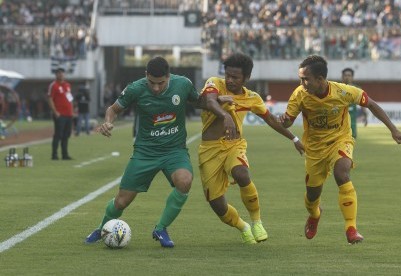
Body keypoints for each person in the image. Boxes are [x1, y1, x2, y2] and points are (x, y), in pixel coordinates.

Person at [84, 57, 226, 248]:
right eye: (152, 82)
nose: (156, 88)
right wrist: (109, 121)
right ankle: (102, 228)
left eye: (161, 83)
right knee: (121, 201)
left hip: (174, 151)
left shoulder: (182, 84)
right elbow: (113, 109)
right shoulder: (136, 88)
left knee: (184, 181)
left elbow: (198, 101)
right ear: (146, 76)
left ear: (169, 76)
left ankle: (161, 228)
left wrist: (216, 101)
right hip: (145, 152)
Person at [278, 55, 401, 244]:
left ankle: (351, 228)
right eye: (300, 79)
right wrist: (285, 121)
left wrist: (393, 129)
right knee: (312, 195)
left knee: (342, 173)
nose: (302, 83)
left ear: (320, 79)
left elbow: (370, 103)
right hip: (314, 149)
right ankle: (314, 214)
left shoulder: (343, 92)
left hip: (340, 139)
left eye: (306, 79)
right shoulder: (299, 94)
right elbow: (288, 121)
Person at [199, 53, 305, 244]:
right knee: (217, 204)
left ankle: (256, 222)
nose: (229, 80)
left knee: (241, 174)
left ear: (246, 78)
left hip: (234, 145)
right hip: (209, 150)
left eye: (235, 77)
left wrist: (294, 138)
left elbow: (271, 119)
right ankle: (243, 227)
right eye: (227, 75)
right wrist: (226, 115)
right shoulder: (214, 83)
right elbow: (209, 101)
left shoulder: (252, 98)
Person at [47, 67, 74, 160]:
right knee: (58, 134)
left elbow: (70, 99)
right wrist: (55, 112)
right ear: (56, 75)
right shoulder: (53, 85)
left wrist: (72, 111)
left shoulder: (67, 85)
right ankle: (54, 155)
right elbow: (50, 99)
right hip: (60, 114)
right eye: (59, 73)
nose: (61, 74)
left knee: (67, 134)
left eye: (62, 73)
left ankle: (65, 154)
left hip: (68, 114)